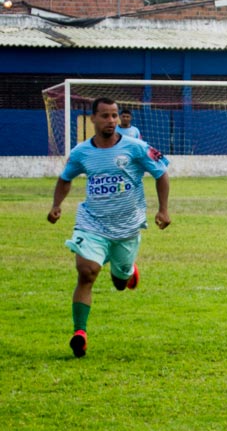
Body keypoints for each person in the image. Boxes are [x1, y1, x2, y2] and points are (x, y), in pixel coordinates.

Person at [47, 97, 171, 358]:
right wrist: (57, 205)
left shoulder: (136, 147)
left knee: (118, 281)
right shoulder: (81, 152)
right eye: (105, 116)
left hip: (127, 227)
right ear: (93, 118)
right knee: (87, 272)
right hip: (92, 223)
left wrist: (163, 209)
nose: (111, 121)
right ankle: (79, 332)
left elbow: (161, 173)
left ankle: (127, 272)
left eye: (114, 116)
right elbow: (65, 178)